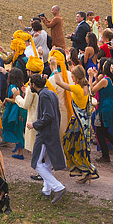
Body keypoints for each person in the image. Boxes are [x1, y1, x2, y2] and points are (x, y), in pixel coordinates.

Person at [27, 75, 67, 203]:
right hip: (52, 132)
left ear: (34, 84)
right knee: (47, 164)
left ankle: (58, 187)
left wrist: (34, 124)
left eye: (30, 83)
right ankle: (46, 190)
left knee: (36, 164)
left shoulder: (43, 96)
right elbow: (56, 114)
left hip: (44, 135)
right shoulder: (51, 93)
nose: (29, 85)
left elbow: (48, 116)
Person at [56, 64, 99, 184]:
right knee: (80, 146)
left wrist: (54, 68)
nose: (71, 77)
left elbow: (59, 83)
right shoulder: (86, 87)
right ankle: (83, 170)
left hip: (78, 123)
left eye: (73, 76)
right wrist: (91, 76)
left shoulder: (77, 89)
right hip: (84, 121)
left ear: (77, 77)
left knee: (71, 145)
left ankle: (86, 170)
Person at [89, 60, 113, 163]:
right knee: (105, 131)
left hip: (103, 108)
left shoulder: (105, 80)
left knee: (100, 133)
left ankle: (105, 155)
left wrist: (90, 78)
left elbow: (92, 90)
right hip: (111, 107)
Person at [1, 67, 27, 160]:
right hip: (21, 110)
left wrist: (6, 99)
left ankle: (17, 143)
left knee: (7, 126)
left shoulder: (12, 86)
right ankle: (20, 153)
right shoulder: (22, 85)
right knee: (18, 129)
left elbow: (14, 99)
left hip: (13, 110)